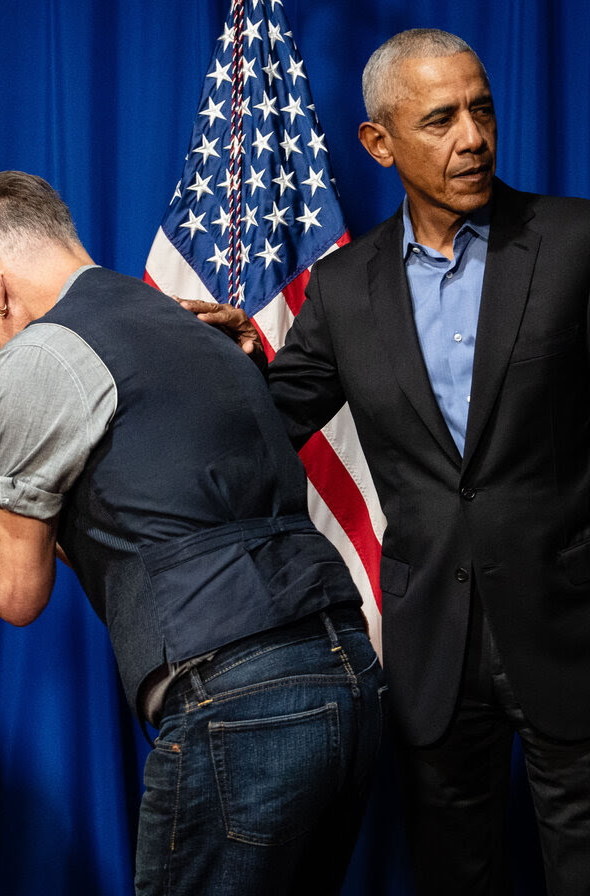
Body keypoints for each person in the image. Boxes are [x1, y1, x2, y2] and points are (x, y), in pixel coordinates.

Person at [184, 28, 590, 894]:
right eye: (440, 120)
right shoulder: (342, 289)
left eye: (480, 109)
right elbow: (268, 420)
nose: (472, 137)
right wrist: (206, 362)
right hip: (432, 646)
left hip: (570, 623)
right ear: (379, 143)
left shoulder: (574, 240)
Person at [0, 170, 384, 895]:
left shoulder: (38, 355)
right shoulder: (183, 321)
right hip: (346, 671)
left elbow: (13, 591)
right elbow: (148, 520)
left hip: (239, 696)